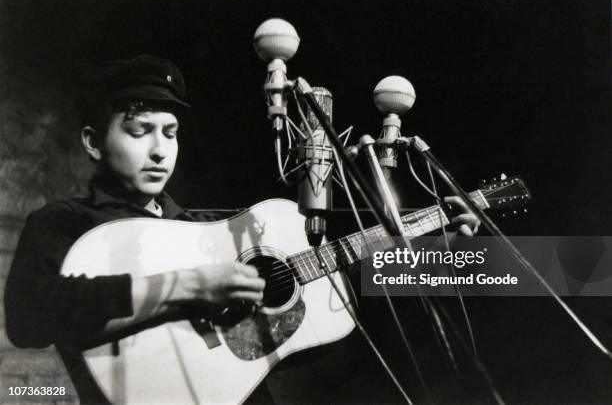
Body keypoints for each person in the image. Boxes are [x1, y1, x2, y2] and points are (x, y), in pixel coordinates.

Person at [4, 54, 480, 404]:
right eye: (139, 130)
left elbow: (305, 313)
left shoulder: (208, 229)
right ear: (92, 141)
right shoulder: (66, 221)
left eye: (169, 133)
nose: (159, 150)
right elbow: (29, 319)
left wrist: (433, 245)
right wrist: (187, 285)